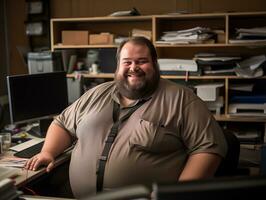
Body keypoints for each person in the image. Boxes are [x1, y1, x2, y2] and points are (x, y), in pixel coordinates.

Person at [25, 36, 227, 198]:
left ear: (155, 64)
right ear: (117, 67)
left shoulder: (181, 100)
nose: (133, 67)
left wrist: (177, 194)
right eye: (127, 62)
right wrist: (48, 152)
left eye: (142, 61)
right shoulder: (97, 93)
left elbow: (207, 149)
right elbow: (62, 124)